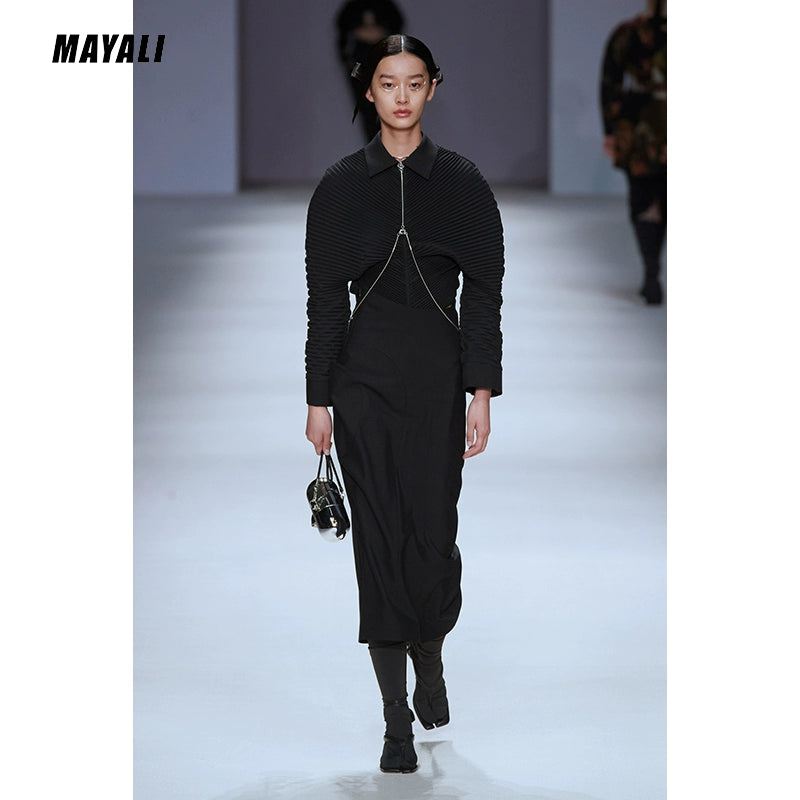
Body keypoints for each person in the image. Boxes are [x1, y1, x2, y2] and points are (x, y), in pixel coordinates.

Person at [304, 34, 504, 774]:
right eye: (388, 83)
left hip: (437, 387)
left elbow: (484, 296)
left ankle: (431, 652)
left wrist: (481, 389)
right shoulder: (339, 189)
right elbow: (325, 302)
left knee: (433, 539)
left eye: (413, 83)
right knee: (379, 546)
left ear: (432, 89)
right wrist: (319, 399)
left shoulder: (462, 185)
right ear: (370, 92)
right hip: (364, 389)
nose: (400, 96)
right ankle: (394, 718)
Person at [600, 0, 667, 305]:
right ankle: (651, 270)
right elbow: (609, 83)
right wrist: (611, 131)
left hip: (638, 125)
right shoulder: (626, 33)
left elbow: (609, 85)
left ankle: (651, 270)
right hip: (641, 128)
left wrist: (610, 129)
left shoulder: (626, 33)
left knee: (645, 200)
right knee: (648, 198)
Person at [335, 0, 405, 141]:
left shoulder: (385, 7)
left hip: (381, 57)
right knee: (367, 109)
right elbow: (342, 29)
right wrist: (346, 58)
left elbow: (397, 24)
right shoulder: (353, 7)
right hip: (361, 59)